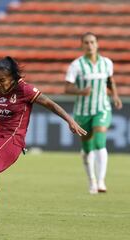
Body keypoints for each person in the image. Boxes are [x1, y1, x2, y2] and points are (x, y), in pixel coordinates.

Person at [0, 57, 87, 229]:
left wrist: (70, 121)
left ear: (13, 77)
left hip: (13, 139)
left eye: (1, 81)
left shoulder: (24, 89)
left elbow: (50, 104)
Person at [65, 32, 122, 194]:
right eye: (86, 43)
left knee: (99, 142)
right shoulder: (76, 65)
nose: (90, 45)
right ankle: (92, 180)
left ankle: (102, 181)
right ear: (82, 45)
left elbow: (110, 81)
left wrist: (115, 96)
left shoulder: (106, 63)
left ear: (97, 44)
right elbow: (67, 88)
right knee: (87, 148)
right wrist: (81, 91)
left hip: (102, 108)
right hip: (83, 112)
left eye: (92, 42)